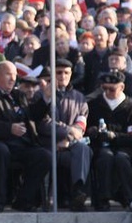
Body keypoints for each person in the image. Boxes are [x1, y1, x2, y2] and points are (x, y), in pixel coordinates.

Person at [0, 61, 52, 212]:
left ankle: (23, 200)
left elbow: (32, 115)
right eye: (8, 74)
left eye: (14, 75)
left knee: (43, 156)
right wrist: (9, 129)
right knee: (1, 152)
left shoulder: (18, 95)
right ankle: (0, 201)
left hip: (22, 144)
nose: (13, 79)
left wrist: (46, 98)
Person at [29, 60, 92, 211]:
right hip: (48, 146)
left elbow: (81, 125)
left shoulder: (79, 97)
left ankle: (78, 192)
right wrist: (67, 132)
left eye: (66, 72)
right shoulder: (41, 95)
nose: (62, 76)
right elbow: (43, 123)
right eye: (58, 72)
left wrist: (68, 140)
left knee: (84, 149)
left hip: (70, 147)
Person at [86, 71, 132, 211]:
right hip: (102, 146)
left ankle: (129, 197)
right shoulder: (95, 104)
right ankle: (103, 199)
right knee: (105, 157)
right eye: (104, 88)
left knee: (121, 159)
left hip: (124, 147)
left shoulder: (131, 106)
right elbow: (88, 128)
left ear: (121, 87)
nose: (107, 92)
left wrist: (114, 136)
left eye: (111, 89)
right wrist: (94, 131)